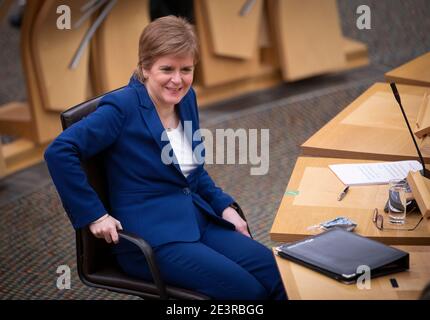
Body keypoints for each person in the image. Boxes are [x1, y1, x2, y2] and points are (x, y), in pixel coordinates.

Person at [44, 15, 286, 300]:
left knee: (281, 276)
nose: (177, 80)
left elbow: (193, 172)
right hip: (152, 239)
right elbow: (59, 151)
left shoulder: (187, 99)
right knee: (249, 294)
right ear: (145, 68)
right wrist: (95, 215)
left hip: (197, 220)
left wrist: (223, 206)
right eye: (167, 69)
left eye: (186, 69)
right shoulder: (122, 108)